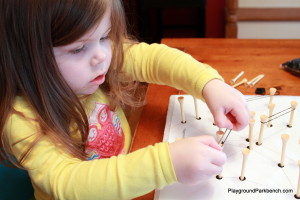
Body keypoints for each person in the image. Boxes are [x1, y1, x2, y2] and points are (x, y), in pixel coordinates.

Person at [0, 0, 249, 199]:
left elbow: (152, 59)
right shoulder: (22, 119)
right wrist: (164, 164)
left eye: (105, 36)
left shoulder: (97, 62)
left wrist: (209, 84)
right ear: (27, 57)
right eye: (78, 48)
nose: (102, 56)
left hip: (133, 175)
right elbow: (66, 184)